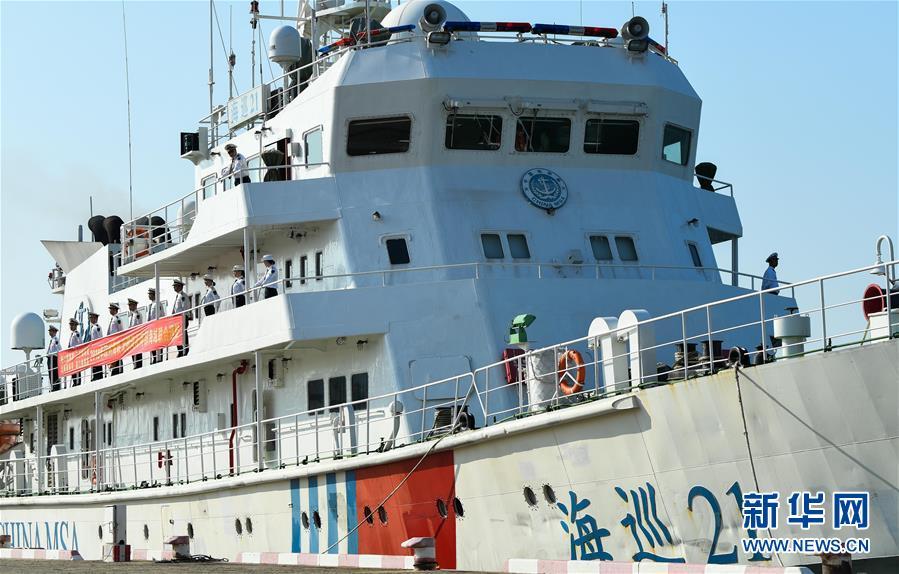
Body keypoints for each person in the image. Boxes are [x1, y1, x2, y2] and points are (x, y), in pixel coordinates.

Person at [171, 279, 190, 357]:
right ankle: (180, 351)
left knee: (183, 334)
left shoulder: (183, 296)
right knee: (177, 335)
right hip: (177, 319)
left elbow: (185, 308)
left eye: (175, 286)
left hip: (182, 318)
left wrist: (182, 317)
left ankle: (185, 349)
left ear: (179, 286)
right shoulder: (178, 295)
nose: (174, 287)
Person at [85, 312, 103, 381]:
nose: (90, 319)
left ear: (96, 318)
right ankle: (95, 375)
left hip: (97, 347)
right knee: (94, 362)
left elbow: (99, 338)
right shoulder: (93, 327)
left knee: (97, 362)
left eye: (92, 318)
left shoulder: (97, 327)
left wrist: (97, 347)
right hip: (93, 348)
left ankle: (98, 376)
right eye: (90, 318)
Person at [107, 302, 124, 375]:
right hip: (112, 342)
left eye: (111, 309)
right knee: (114, 356)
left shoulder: (117, 319)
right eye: (110, 309)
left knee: (117, 356)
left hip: (116, 341)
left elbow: (120, 330)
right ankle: (115, 369)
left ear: (115, 310)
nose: (110, 310)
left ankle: (118, 369)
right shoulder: (113, 318)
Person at [147, 287, 162, 364]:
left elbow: (161, 315)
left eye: (150, 294)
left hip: (157, 327)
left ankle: (159, 358)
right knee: (152, 344)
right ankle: (154, 358)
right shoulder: (150, 305)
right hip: (151, 327)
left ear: (154, 295)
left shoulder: (158, 304)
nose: (149, 295)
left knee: (158, 343)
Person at [66, 318, 82, 387]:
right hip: (72, 355)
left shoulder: (76, 334)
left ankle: (77, 382)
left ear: (75, 326)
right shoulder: (72, 334)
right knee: (72, 369)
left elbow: (80, 343)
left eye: (72, 325)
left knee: (76, 369)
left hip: (75, 354)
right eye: (70, 325)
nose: (71, 326)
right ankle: (74, 382)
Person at [127, 298, 143, 369]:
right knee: (133, 352)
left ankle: (138, 365)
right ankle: (135, 364)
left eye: (130, 305)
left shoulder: (137, 314)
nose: (129, 307)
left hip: (137, 337)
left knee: (138, 352)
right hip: (132, 337)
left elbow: (139, 326)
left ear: (135, 305)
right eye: (129, 305)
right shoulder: (131, 315)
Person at [47, 325, 60, 392]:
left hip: (54, 359)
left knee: (54, 373)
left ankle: (55, 387)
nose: (49, 332)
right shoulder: (52, 340)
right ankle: (52, 386)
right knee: (50, 373)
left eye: (51, 331)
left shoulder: (55, 340)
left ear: (54, 332)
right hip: (50, 358)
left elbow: (59, 349)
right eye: (49, 331)